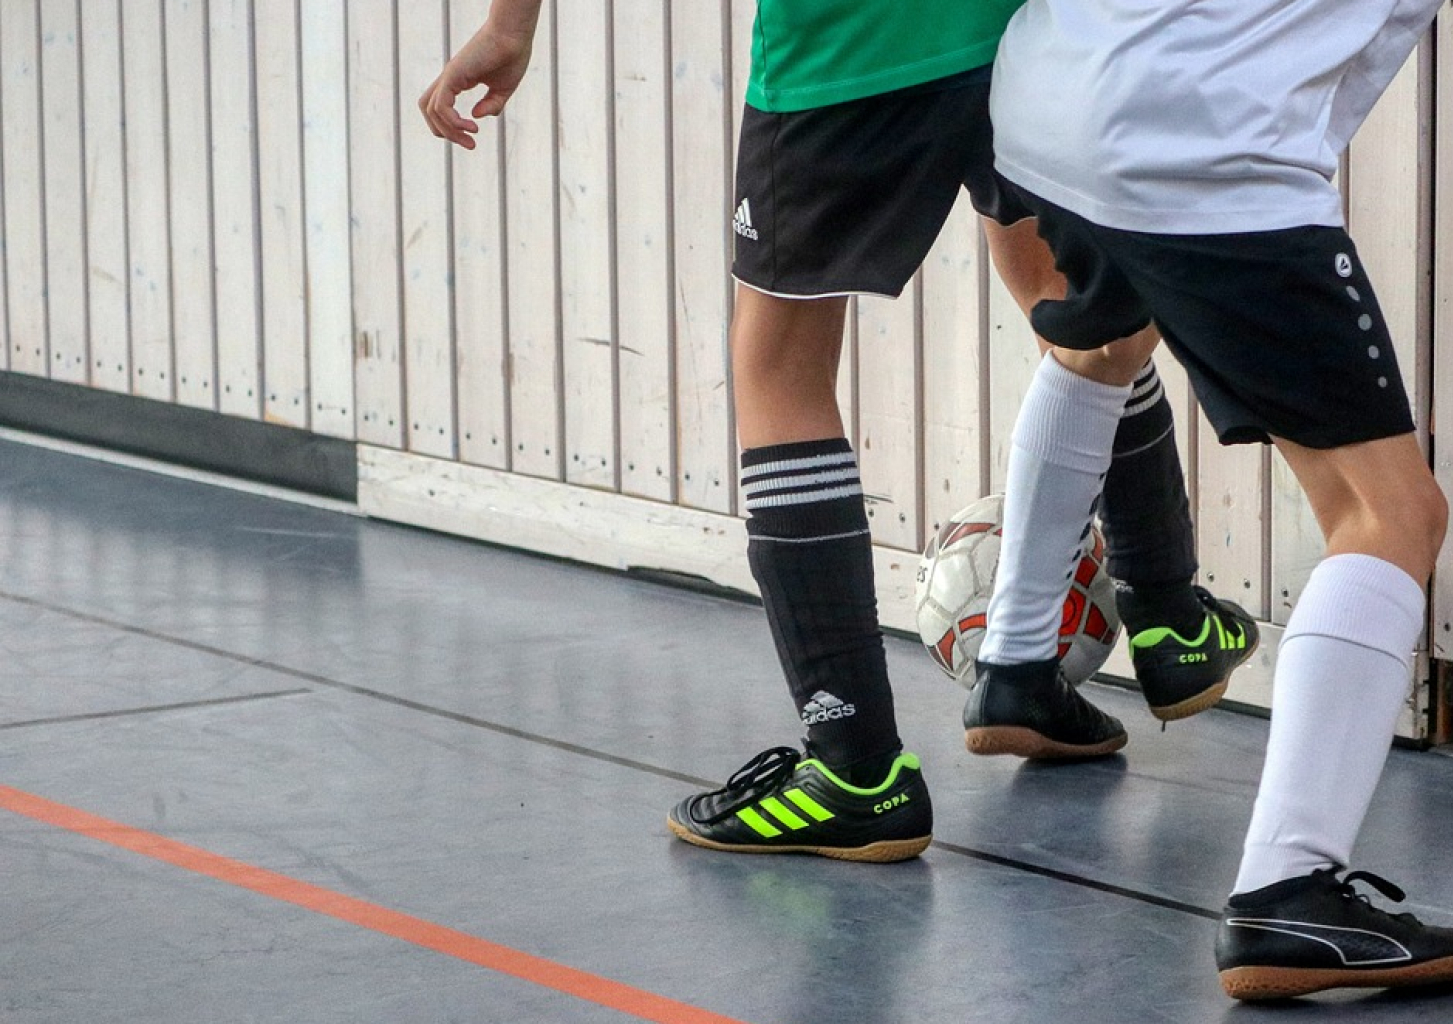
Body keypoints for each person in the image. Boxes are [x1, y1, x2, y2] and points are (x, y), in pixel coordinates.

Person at [417, 0, 1256, 863]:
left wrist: (510, 22)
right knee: (1074, 306)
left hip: (853, 40)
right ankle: (1162, 618)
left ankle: (858, 769)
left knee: (779, 362)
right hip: (1027, 28)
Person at [981, 0, 1453, 1000]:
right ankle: (1288, 885)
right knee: (1390, 512)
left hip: (1046, 102)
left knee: (1100, 345)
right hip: (1196, 143)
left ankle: (1016, 652)